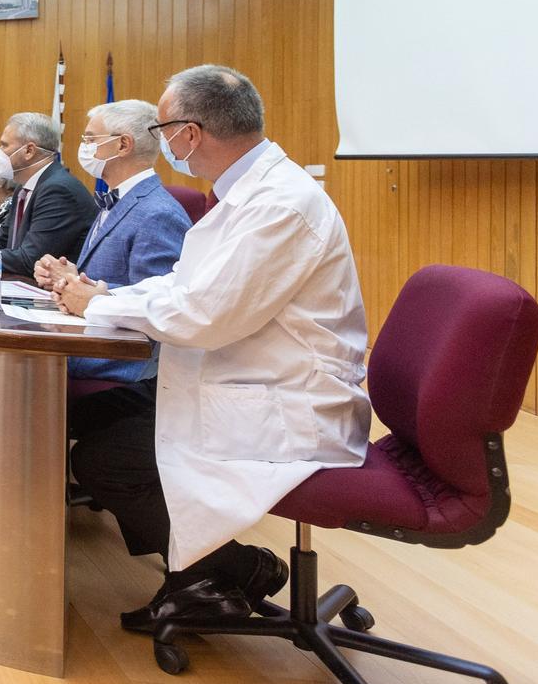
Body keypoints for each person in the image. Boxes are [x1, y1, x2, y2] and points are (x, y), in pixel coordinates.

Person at [55, 66, 370, 635]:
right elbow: (185, 286)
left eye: (163, 127)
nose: (162, 139)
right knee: (95, 421)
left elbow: (203, 314)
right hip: (243, 378)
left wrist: (97, 307)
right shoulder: (247, 193)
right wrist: (104, 295)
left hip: (286, 402)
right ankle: (208, 574)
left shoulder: (280, 204)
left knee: (110, 457)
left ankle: (227, 570)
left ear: (190, 133)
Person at [34, 101, 191, 392]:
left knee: (21, 366)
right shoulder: (118, 198)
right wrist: (69, 277)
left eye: (91, 139)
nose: (84, 147)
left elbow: (161, 305)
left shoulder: (158, 213)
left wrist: (87, 295)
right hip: (89, 343)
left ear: (122, 145)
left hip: (122, 373)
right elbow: (112, 283)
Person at [0, 112, 94, 279]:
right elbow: (1, 243)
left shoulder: (57, 190)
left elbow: (29, 260)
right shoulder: (23, 188)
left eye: (4, 146)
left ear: (29, 150)